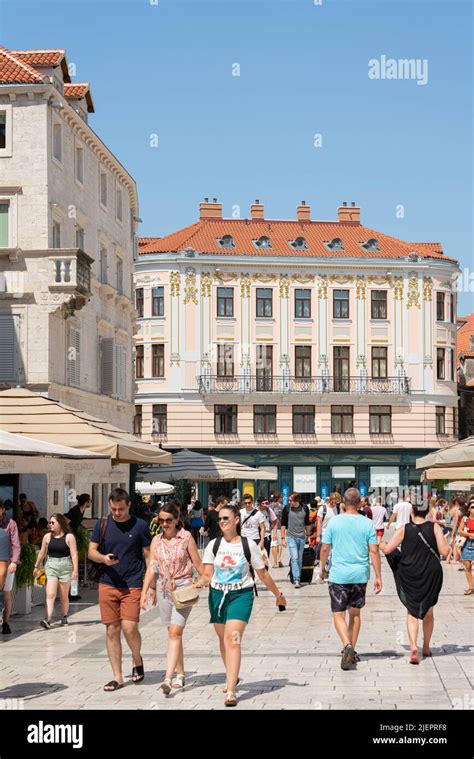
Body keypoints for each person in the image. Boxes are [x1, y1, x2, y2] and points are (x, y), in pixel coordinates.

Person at [196, 504, 286, 706]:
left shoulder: (248, 545)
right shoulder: (214, 545)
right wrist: (201, 581)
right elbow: (207, 573)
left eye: (226, 518)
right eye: (220, 519)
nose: (222, 522)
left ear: (237, 520)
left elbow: (262, 574)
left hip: (241, 596)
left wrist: (278, 595)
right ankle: (232, 676)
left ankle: (231, 690)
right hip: (217, 596)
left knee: (233, 639)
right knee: (223, 640)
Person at [88, 488, 152, 691]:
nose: (117, 513)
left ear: (129, 505)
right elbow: (91, 551)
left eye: (121, 509)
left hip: (132, 583)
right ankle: (117, 676)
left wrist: (150, 585)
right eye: (113, 509)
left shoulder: (140, 526)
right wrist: (103, 559)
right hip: (108, 582)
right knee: (111, 630)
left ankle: (136, 658)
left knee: (130, 627)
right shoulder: (103, 523)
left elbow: (149, 555)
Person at [141, 502, 202, 693]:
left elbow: (198, 564)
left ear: (177, 519)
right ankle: (181, 674)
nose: (165, 524)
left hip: (183, 588)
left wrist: (208, 580)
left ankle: (167, 678)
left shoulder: (186, 537)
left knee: (175, 633)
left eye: (169, 520)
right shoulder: (156, 541)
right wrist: (145, 591)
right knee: (173, 634)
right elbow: (151, 567)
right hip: (164, 589)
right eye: (161, 520)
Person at [319, 488, 382, 670]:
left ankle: (346, 646)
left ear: (343, 503)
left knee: (338, 614)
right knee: (355, 614)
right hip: (360, 574)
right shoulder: (367, 523)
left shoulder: (334, 522)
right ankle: (351, 650)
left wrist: (322, 569)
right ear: (360, 503)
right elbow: (374, 550)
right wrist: (378, 576)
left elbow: (324, 548)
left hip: (338, 574)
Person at [380, 502, 450, 663]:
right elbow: (445, 552)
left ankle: (413, 646)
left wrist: (380, 542)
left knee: (412, 611)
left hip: (410, 572)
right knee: (429, 611)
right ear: (427, 512)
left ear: (412, 511)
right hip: (431, 573)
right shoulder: (434, 527)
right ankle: (426, 647)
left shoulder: (404, 528)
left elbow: (388, 549)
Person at [33, 513, 78, 629]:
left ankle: (64, 616)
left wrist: (75, 570)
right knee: (50, 594)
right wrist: (36, 566)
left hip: (65, 566)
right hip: (51, 566)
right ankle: (48, 619)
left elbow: (74, 554)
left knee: (63, 596)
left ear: (60, 524)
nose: (50, 524)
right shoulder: (47, 537)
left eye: (53, 522)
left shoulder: (69, 537)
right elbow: (42, 552)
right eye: (49, 522)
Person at [281, 492, 311, 588]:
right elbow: (283, 524)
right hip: (291, 537)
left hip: (302, 537)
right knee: (295, 558)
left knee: (299, 559)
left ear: (297, 500)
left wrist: (309, 536)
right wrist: (282, 538)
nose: (289, 502)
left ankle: (297, 576)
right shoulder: (286, 508)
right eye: (289, 500)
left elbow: (307, 523)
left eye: (291, 500)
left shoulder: (305, 508)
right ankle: (297, 579)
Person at [0, 499, 21, 635]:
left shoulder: (10, 524)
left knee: (6, 593)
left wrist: (14, 562)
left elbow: (16, 544)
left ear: (2, 509)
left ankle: (6, 622)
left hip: (7, 562)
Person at [457, 500, 474, 594]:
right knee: (467, 566)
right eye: (472, 507)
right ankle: (471, 587)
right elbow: (459, 531)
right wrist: (469, 534)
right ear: (469, 509)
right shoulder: (465, 519)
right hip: (467, 544)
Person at [270, 492, 284, 568]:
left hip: (273, 527)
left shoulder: (270, 506)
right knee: (280, 544)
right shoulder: (282, 506)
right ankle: (279, 559)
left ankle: (275, 562)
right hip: (280, 526)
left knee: (274, 544)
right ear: (278, 498)